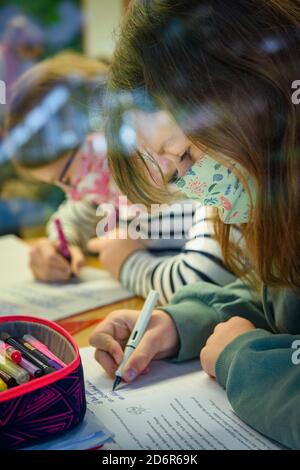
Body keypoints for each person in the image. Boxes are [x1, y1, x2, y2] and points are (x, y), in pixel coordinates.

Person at [89, 0, 300, 449]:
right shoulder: (282, 199)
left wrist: (245, 361)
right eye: (177, 176)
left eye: (186, 156)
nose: (198, 189)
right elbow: (283, 297)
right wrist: (185, 321)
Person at [5, 51, 237, 303]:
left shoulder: (203, 181)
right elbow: (70, 217)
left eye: (68, 177)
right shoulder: (110, 196)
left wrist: (127, 262)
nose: (72, 193)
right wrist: (58, 247)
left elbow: (200, 282)